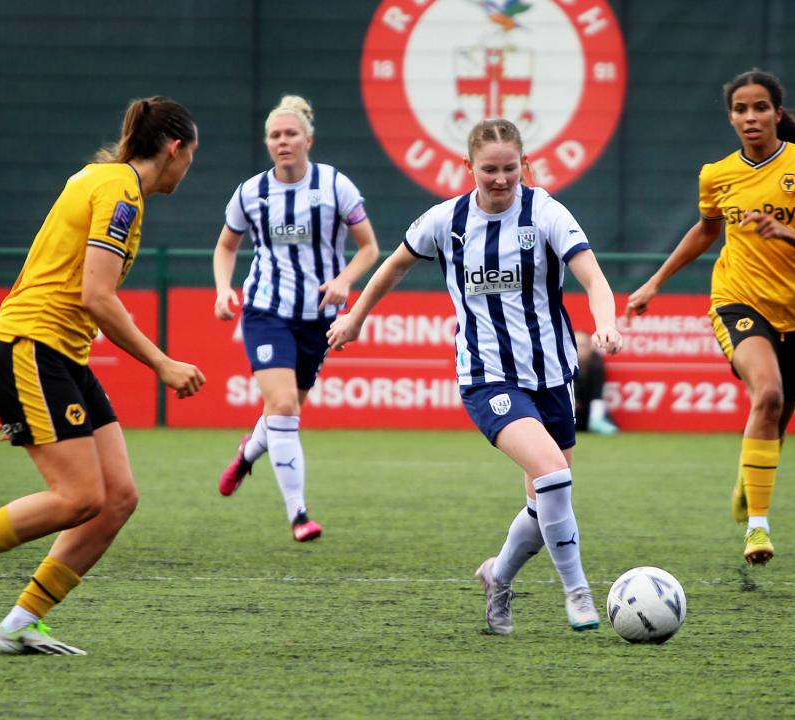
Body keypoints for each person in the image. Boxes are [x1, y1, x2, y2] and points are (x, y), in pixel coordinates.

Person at [0, 97, 206, 654]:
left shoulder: (102, 179)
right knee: (78, 497)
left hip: (55, 356)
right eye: (192, 155)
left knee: (117, 498)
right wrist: (162, 363)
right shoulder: (119, 192)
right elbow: (97, 295)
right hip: (33, 347)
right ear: (174, 148)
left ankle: (20, 623)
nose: (190, 168)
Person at [327, 118, 623, 635]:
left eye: (510, 168)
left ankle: (498, 578)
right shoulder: (446, 221)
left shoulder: (546, 212)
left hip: (553, 375)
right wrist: (355, 316)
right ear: (469, 168)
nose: (501, 179)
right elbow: (394, 265)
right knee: (554, 474)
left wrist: (606, 323)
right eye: (490, 170)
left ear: (524, 166)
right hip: (488, 377)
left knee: (545, 501)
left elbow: (593, 276)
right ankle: (577, 591)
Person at [626, 69, 795, 565]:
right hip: (737, 301)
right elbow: (705, 231)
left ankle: (749, 485)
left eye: (760, 107)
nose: (751, 117)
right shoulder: (717, 173)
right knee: (767, 394)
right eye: (741, 109)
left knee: (775, 421)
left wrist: (783, 232)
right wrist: (654, 283)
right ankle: (758, 530)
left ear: (777, 114)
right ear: (731, 117)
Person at [213, 95, 379, 542]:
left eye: (290, 134)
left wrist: (344, 280)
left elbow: (369, 248)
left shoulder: (334, 186)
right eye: (274, 135)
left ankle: (248, 452)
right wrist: (223, 287)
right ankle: (299, 514)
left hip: (318, 318)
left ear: (308, 139)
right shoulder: (251, 192)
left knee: (285, 409)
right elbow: (227, 246)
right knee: (284, 406)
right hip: (267, 310)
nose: (282, 142)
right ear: (268, 143)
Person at [573, 329, 618, 435]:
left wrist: (595, 420)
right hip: (566, 412)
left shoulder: (596, 365)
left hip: (588, 412)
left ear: (590, 348)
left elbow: (597, 395)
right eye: (575, 344)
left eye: (582, 345)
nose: (578, 349)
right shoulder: (561, 363)